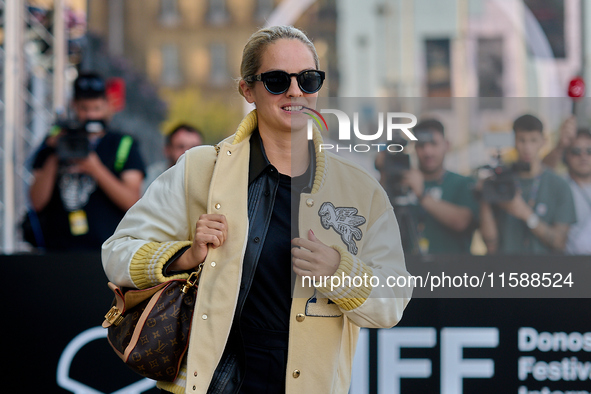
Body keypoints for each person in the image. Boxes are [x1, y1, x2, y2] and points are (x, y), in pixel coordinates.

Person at [102, 26, 411, 394]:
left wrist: (338, 270)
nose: (295, 91)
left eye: (308, 79)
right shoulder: (200, 170)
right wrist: (184, 256)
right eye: (277, 80)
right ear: (247, 89)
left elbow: (393, 302)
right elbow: (117, 253)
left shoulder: (360, 189)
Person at [27, 72, 145, 250]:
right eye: (84, 108)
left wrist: (95, 169)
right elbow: (36, 202)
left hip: (108, 250)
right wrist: (55, 154)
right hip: (58, 250)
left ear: (107, 105)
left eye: (96, 108)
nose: (90, 115)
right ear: (74, 106)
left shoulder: (122, 144)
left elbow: (133, 202)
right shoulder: (55, 139)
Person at [376, 119, 478, 254]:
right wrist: (385, 173)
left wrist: (422, 194)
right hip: (407, 270)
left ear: (446, 145)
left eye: (433, 144)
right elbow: (377, 222)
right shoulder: (401, 182)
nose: (427, 151)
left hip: (451, 271)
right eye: (421, 145)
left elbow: (461, 222)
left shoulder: (462, 182)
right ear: (414, 148)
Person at [479, 114, 576, 254]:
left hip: (545, 273)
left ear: (543, 141)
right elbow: (490, 244)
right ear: (513, 141)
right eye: (521, 140)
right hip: (507, 270)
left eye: (533, 140)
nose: (527, 147)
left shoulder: (559, 185)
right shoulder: (500, 180)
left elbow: (560, 243)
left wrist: (526, 214)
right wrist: (484, 197)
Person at [542, 122, 591, 254]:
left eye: (589, 151)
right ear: (566, 156)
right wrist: (560, 146)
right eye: (576, 151)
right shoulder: (560, 184)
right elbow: (540, 172)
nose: (583, 156)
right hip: (569, 265)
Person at [143, 124, 203, 193]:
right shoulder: (154, 176)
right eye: (181, 147)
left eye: (194, 147)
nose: (188, 152)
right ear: (167, 150)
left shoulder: (210, 177)